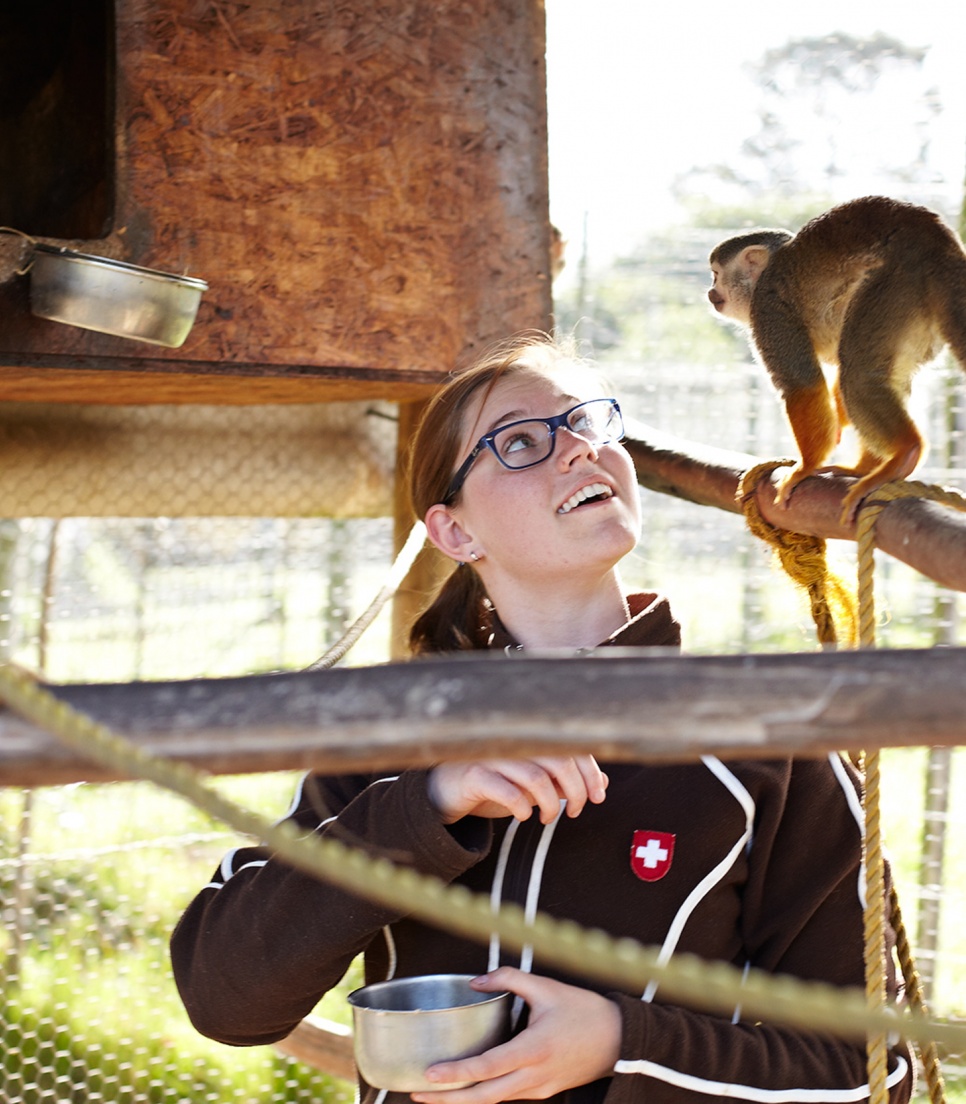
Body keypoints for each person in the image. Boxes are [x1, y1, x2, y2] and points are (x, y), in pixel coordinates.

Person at [170, 332, 913, 1104]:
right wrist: (426, 806)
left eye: (588, 425)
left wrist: (627, 1046)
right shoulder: (388, 736)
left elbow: (872, 1071)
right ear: (454, 531)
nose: (578, 451)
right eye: (521, 442)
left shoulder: (770, 742)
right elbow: (225, 1000)